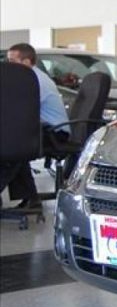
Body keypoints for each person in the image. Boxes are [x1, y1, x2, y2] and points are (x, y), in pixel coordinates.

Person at [1, 43, 70, 209]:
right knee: (13, 147)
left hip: (55, 133)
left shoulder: (34, 80)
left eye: (12, 60)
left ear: (26, 62)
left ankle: (29, 197)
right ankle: (31, 198)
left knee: (10, 149)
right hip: (37, 129)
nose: (9, 64)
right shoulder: (26, 78)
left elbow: (18, 111)